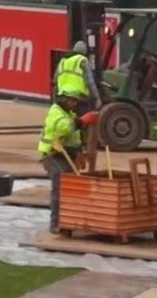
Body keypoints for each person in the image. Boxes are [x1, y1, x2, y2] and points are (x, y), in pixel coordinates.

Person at [39, 93, 98, 233]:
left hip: (66, 156)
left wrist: (80, 151)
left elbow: (74, 136)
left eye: (76, 101)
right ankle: (56, 223)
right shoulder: (55, 112)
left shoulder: (68, 114)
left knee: (71, 188)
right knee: (60, 185)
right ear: (64, 100)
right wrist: (81, 122)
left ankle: (68, 221)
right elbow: (62, 128)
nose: (75, 104)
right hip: (52, 155)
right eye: (72, 101)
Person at [55, 40, 100, 113]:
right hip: (78, 98)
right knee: (81, 121)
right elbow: (90, 81)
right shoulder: (82, 60)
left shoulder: (63, 61)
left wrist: (56, 97)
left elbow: (55, 80)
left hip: (63, 98)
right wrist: (97, 98)